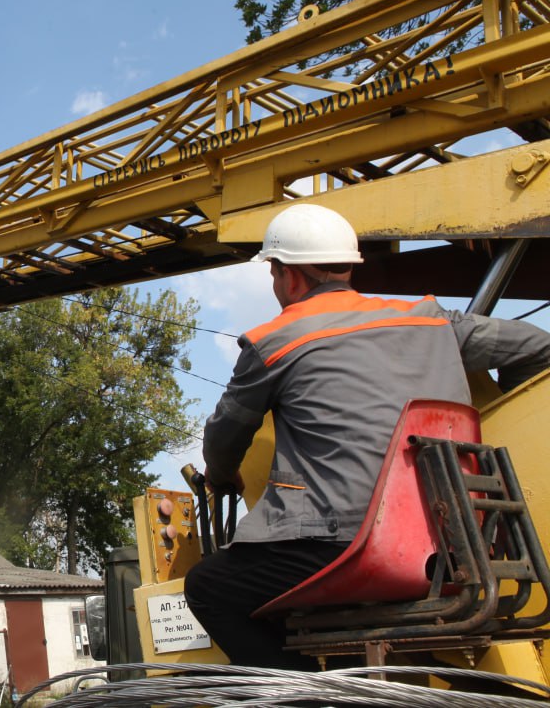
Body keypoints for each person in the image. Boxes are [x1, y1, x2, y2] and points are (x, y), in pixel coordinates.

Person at [183, 203, 550, 670]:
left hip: (345, 547)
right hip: (461, 540)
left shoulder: (275, 342)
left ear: (287, 276)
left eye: (273, 274)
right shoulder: (432, 319)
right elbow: (539, 346)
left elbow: (223, 439)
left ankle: (309, 699)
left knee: (209, 588)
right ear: (347, 267)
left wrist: (223, 476)